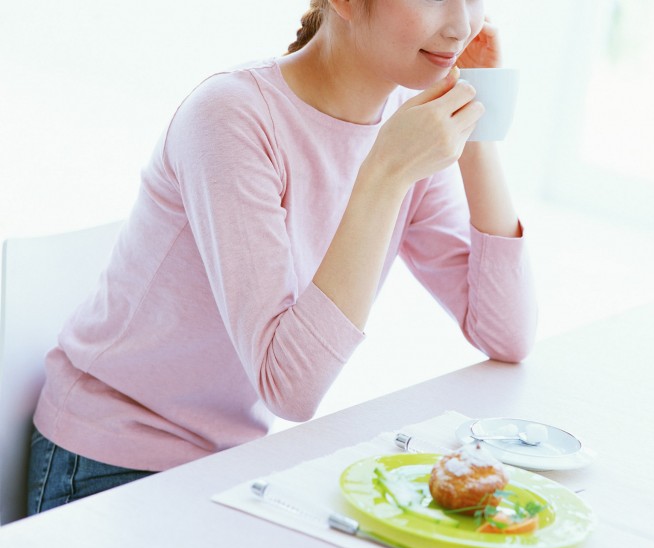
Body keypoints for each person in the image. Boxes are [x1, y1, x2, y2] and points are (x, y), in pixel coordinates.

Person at [27, 0, 537, 515]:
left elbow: (506, 333)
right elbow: (289, 389)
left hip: (234, 463)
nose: (460, 24)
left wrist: (476, 118)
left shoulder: (407, 129)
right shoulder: (231, 115)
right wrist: (384, 174)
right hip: (111, 458)